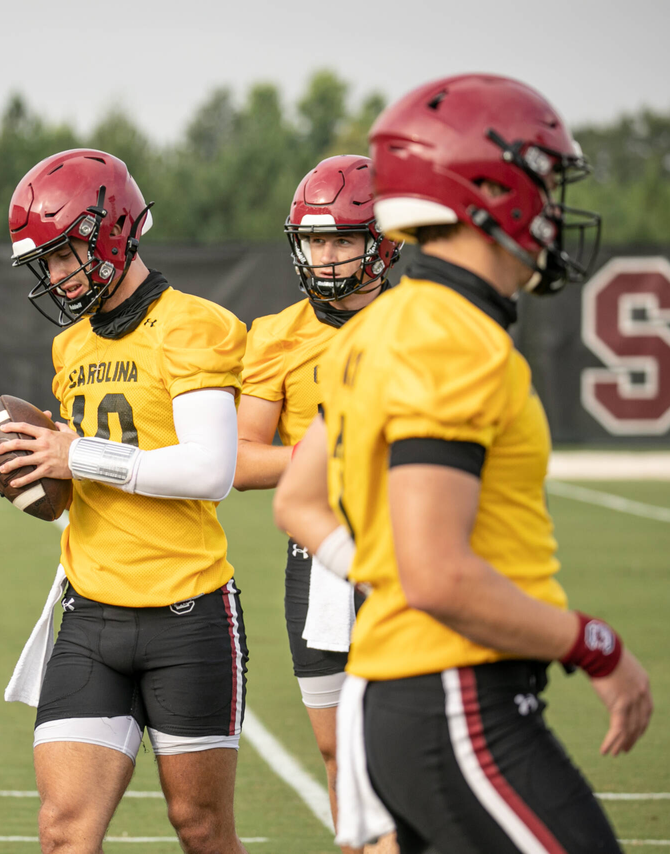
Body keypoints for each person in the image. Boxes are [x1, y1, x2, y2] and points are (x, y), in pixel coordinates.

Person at [274, 73, 652, 854]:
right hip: (455, 688)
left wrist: (379, 569)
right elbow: (439, 575)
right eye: (541, 182)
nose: (551, 206)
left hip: (405, 688)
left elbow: (298, 502)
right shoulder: (449, 334)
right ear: (490, 191)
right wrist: (593, 644)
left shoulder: (384, 327)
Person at [0, 149, 251, 854]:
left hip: (186, 613)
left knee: (202, 826)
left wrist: (75, 454)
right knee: (65, 828)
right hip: (91, 612)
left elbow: (210, 471)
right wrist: (32, 471)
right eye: (48, 262)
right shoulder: (71, 346)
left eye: (65, 254)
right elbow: (88, 494)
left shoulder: (197, 326)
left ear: (112, 231)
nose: (57, 275)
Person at [233, 154, 398, 854]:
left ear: (381, 243)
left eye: (341, 240)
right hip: (321, 562)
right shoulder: (276, 334)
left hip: (410, 552)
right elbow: (241, 459)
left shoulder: (421, 323)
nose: (325, 257)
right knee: (336, 753)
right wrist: (335, 458)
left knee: (407, 749)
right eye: (314, 241)